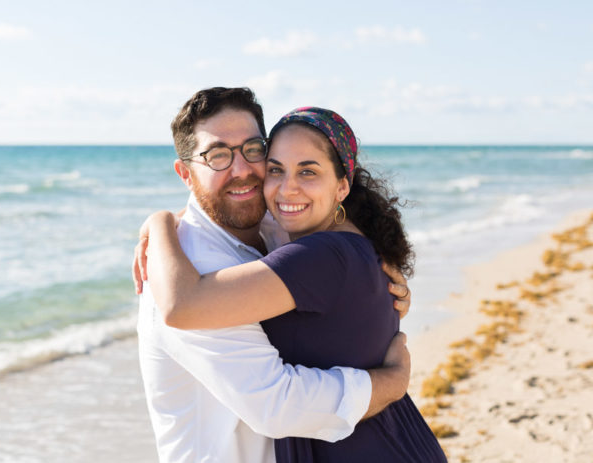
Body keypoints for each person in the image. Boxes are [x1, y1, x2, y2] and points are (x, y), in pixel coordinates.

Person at [139, 106, 447, 462]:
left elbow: (184, 305)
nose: (287, 188)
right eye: (218, 155)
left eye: (252, 149)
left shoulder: (312, 251)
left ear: (342, 185)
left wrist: (159, 223)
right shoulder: (284, 233)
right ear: (185, 174)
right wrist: (163, 220)